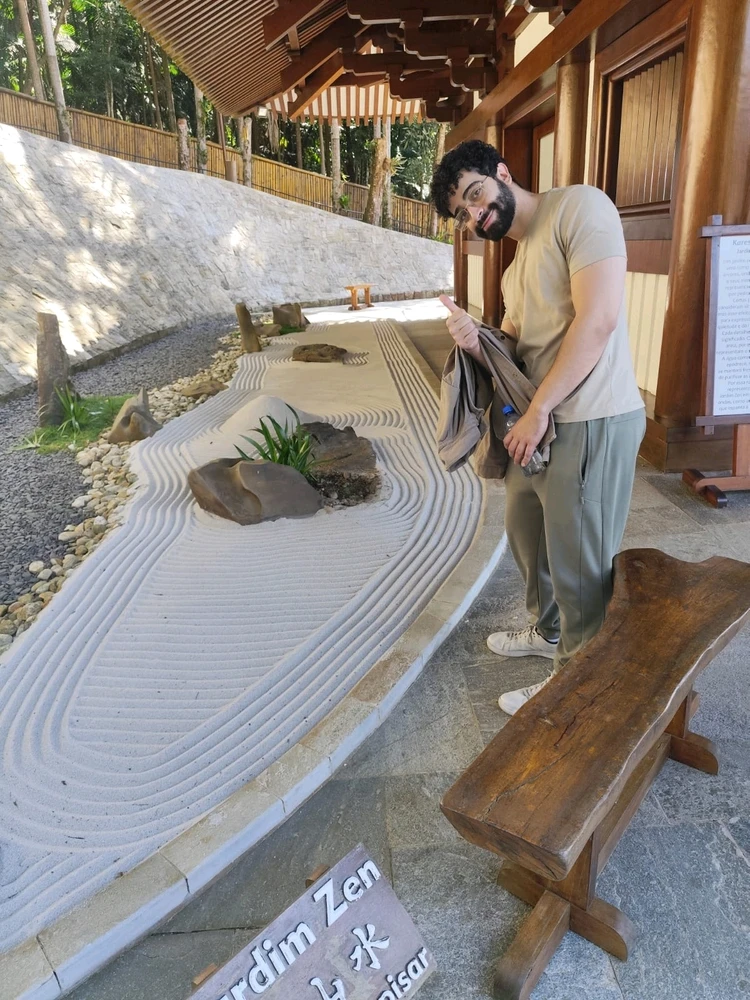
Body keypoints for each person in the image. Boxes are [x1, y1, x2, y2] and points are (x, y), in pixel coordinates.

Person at [430, 139, 645, 715]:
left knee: (580, 563)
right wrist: (476, 340)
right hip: (541, 423)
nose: (475, 215)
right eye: (463, 214)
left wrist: (538, 411)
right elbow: (516, 349)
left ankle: (578, 683)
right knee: (525, 531)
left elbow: (598, 320)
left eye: (475, 195)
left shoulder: (580, 208)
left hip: (591, 417)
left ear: (502, 173)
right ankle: (549, 631)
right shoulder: (514, 268)